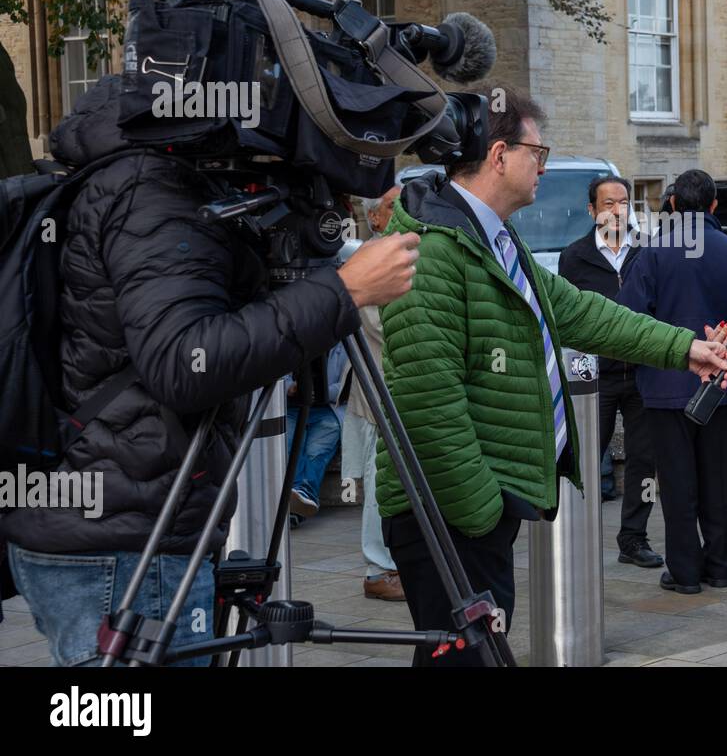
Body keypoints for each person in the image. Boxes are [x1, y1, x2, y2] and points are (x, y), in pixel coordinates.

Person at [1, 80, 419, 666]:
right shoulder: (154, 190)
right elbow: (184, 363)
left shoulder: (138, 178)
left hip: (121, 526)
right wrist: (346, 292)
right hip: (125, 546)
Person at [377, 87, 727, 666]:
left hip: (474, 512)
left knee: (471, 656)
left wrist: (683, 347)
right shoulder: (435, 248)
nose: (543, 167)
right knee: (466, 659)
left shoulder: (492, 235)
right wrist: (482, 509)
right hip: (448, 514)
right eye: (536, 154)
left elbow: (578, 312)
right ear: (498, 156)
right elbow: (426, 400)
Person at [617, 170, 727, 595]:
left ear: (675, 205)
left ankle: (683, 572)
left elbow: (630, 319)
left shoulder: (651, 254)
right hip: (720, 385)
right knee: (719, 482)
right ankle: (719, 566)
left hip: (665, 388)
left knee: (677, 484)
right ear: (714, 206)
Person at [558, 173, 664, 569]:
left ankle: (633, 539)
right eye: (608, 203)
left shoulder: (646, 252)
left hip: (640, 374)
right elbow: (567, 318)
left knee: (643, 460)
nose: (618, 210)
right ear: (592, 211)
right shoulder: (574, 257)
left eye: (624, 202)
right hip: (595, 377)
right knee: (584, 457)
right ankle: (574, 537)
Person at [339, 186, 405, 601]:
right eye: (394, 207)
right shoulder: (370, 259)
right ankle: (377, 570)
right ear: (376, 218)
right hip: (382, 391)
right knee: (383, 479)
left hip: (408, 390)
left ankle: (396, 562)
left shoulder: (406, 252)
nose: (404, 213)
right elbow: (385, 326)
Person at [284, 341, 348, 525]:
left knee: (316, 450)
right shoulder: (293, 338)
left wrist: (320, 392)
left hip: (328, 408)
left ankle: (298, 500)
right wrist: (291, 388)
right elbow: (277, 377)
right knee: (289, 446)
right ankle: (301, 500)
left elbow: (347, 385)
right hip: (292, 407)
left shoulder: (347, 344)